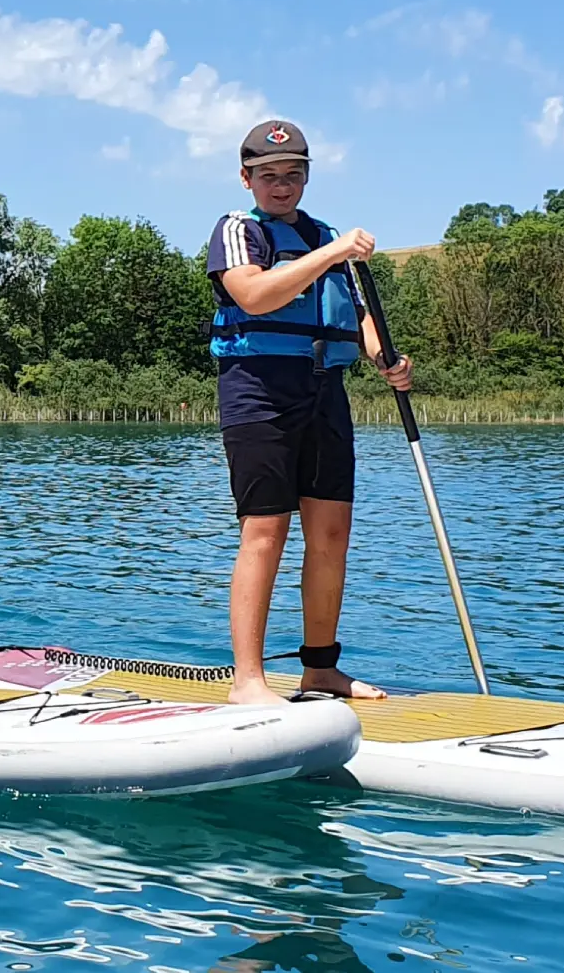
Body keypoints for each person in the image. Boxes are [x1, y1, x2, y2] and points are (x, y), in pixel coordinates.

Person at [204, 119, 414, 706]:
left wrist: (385, 358)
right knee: (266, 531)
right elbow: (256, 295)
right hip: (258, 390)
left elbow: (357, 316)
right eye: (269, 176)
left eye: (293, 175)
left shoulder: (322, 235)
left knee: (331, 533)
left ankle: (321, 669)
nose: (282, 186)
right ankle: (248, 682)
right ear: (247, 178)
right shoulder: (237, 231)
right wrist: (333, 250)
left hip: (324, 390)